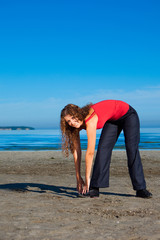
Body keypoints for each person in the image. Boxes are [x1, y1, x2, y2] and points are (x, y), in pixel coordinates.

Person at [60, 100, 152, 198]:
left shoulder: (90, 119)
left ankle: (141, 189)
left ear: (78, 113)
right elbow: (76, 152)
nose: (72, 123)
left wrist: (87, 181)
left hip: (128, 115)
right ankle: (94, 189)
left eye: (73, 118)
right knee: (103, 149)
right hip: (113, 119)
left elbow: (90, 153)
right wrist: (78, 178)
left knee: (131, 149)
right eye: (68, 121)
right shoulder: (73, 128)